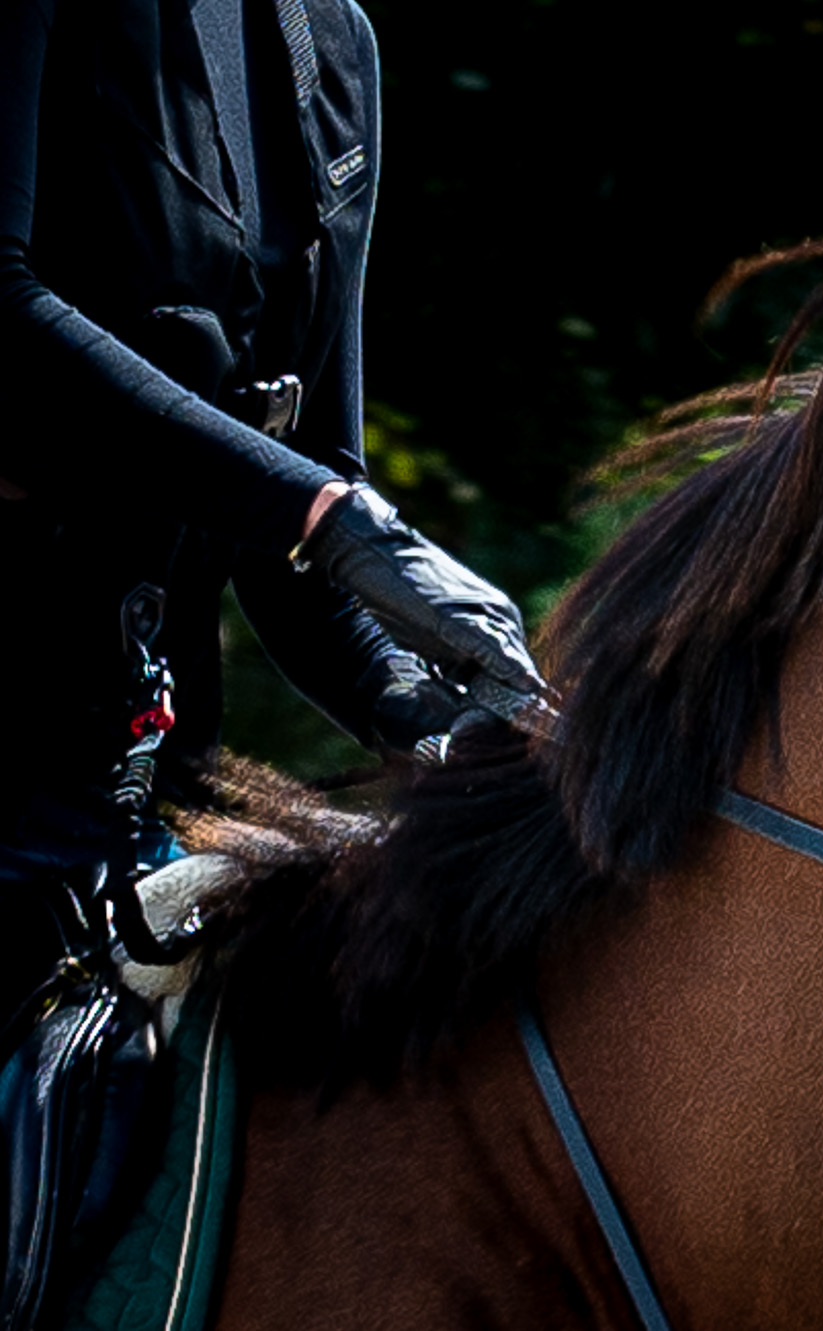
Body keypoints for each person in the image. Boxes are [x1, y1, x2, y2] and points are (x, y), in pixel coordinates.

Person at [0, 0, 547, 1018]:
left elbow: (291, 514)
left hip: (159, 808)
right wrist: (329, 518)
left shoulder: (334, 46)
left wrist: (418, 705)